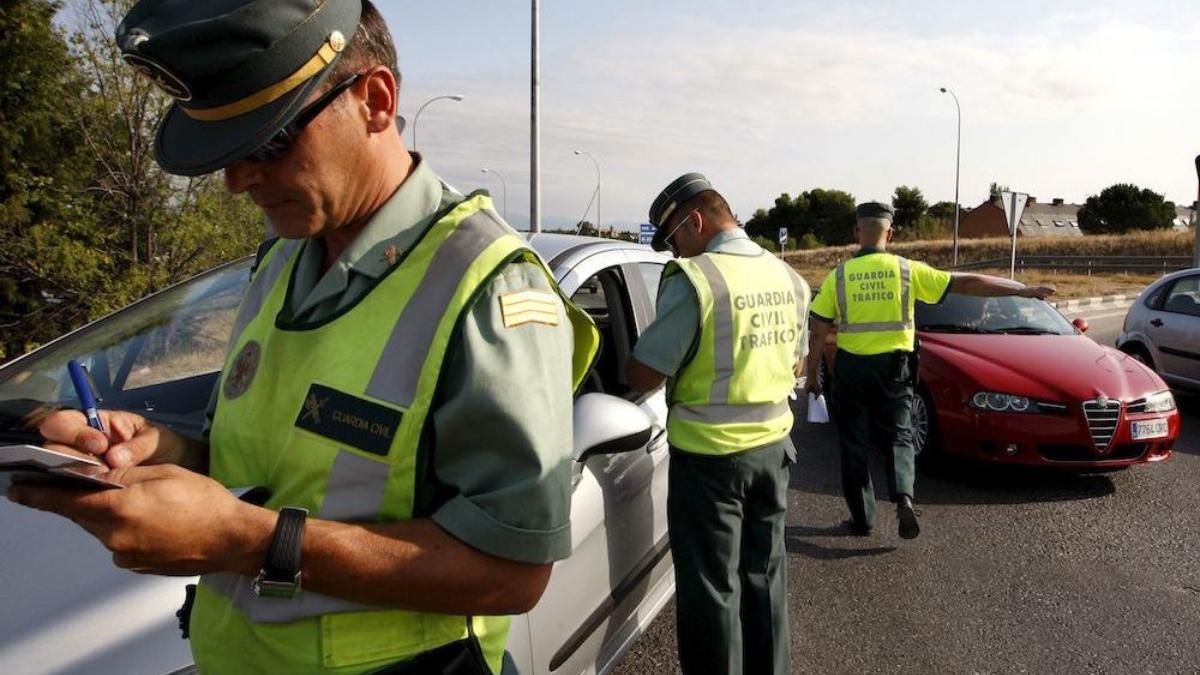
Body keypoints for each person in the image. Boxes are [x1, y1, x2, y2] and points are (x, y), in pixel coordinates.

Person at [6, 1, 599, 673]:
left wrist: (249, 540)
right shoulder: (285, 255)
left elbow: (513, 575)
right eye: (229, 152)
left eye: (268, 143)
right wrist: (165, 447)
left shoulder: (487, 289)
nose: (237, 181)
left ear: (375, 99)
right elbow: (274, 460)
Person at [626, 173, 809, 675]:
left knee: (712, 592)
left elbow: (646, 371)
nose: (675, 253)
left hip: (711, 464)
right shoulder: (787, 277)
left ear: (696, 221)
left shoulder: (697, 279)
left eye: (675, 239)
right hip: (775, 452)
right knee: (765, 576)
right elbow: (796, 365)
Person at [805, 202, 1054, 539]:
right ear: (890, 234)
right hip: (895, 368)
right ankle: (904, 498)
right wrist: (1021, 291)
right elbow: (966, 283)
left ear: (856, 232)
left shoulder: (839, 276)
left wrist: (813, 379)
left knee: (854, 444)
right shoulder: (908, 271)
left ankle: (862, 519)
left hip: (852, 370)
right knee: (899, 434)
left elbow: (818, 331)